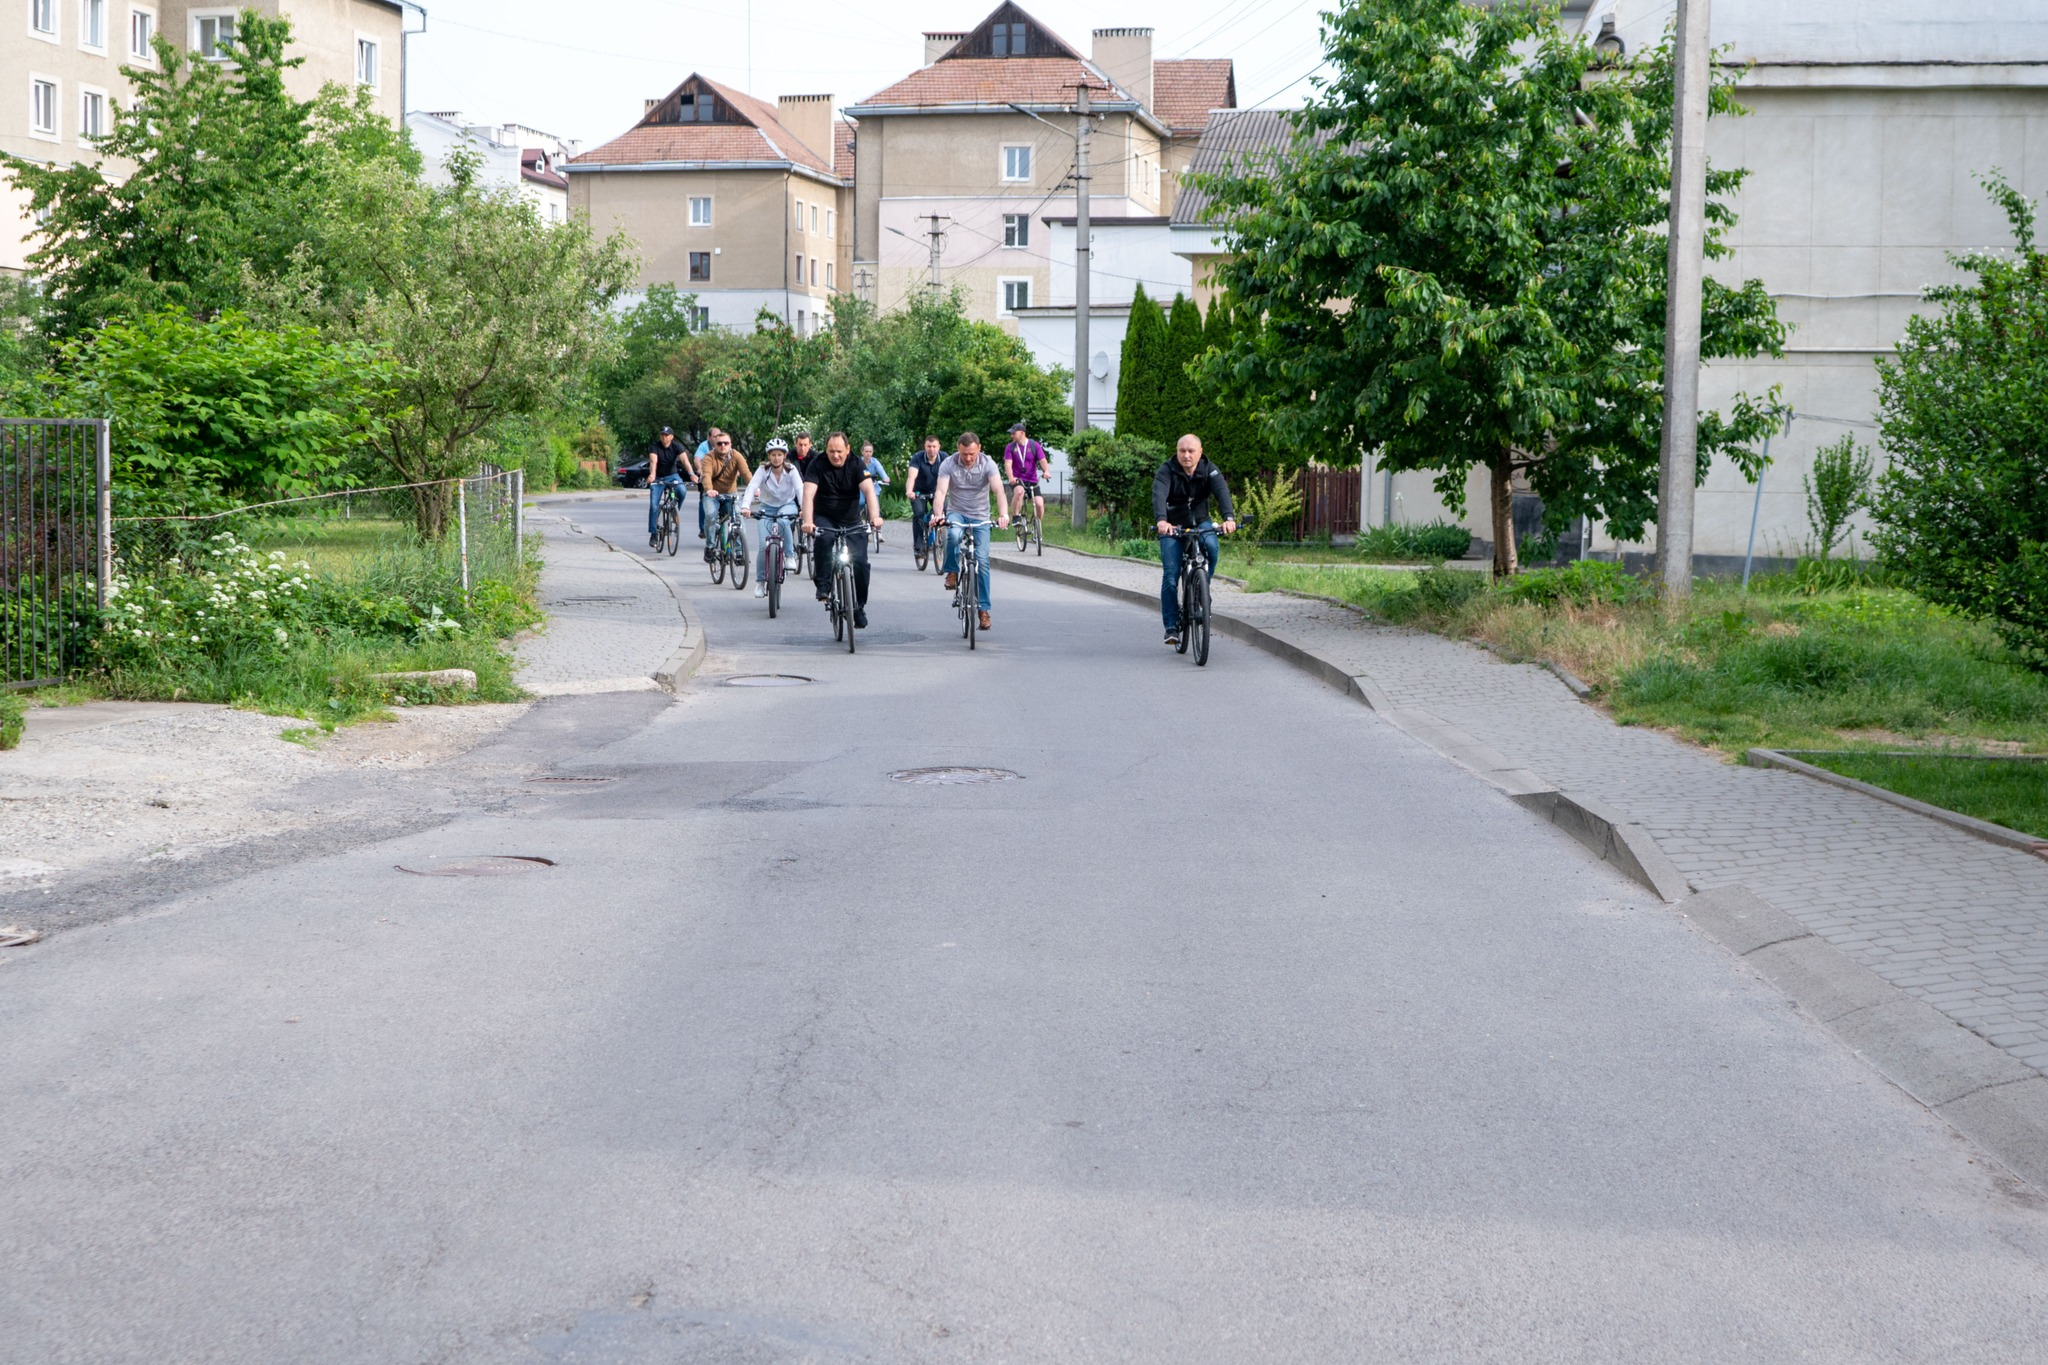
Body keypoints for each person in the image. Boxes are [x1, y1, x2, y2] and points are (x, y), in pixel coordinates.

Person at [1154, 433, 1237, 648]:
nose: (1186, 455)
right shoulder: (1167, 470)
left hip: (1201, 522)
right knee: (1171, 576)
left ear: (1200, 452)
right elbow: (1159, 494)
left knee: (1212, 548)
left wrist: (1229, 518)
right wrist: (1162, 520)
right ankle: (1171, 626)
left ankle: (1202, 589)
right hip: (1173, 525)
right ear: (1177, 452)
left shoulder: (1209, 469)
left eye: (1191, 451)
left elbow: (1222, 492)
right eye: (1182, 451)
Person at [800, 431, 883, 628]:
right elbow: (808, 494)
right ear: (826, 450)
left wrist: (874, 517)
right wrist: (808, 521)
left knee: (861, 562)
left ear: (848, 449)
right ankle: (823, 584)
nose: (835, 455)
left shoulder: (856, 464)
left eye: (839, 451)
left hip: (850, 518)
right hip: (825, 516)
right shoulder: (817, 464)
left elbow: (869, 491)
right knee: (825, 538)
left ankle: (858, 606)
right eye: (831, 451)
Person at [933, 431, 1009, 633]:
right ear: (958, 449)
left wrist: (1003, 514)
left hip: (980, 516)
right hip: (957, 513)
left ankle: (983, 610)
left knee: (982, 561)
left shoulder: (988, 464)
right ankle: (952, 572)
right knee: (953, 535)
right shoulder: (948, 464)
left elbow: (999, 490)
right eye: (964, 453)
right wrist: (938, 515)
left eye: (972, 454)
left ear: (979, 449)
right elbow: (941, 492)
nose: (968, 458)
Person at [739, 438, 804, 598]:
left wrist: (804, 509)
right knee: (763, 545)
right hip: (766, 507)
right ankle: (760, 582)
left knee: (783, 520)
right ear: (769, 456)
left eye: (779, 455)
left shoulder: (792, 470)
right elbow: (752, 487)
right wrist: (745, 506)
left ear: (784, 456)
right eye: (773, 455)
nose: (776, 458)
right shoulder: (763, 470)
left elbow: (800, 489)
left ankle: (789, 555)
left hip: (787, 505)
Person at [695, 431, 753, 563]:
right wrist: (709, 489)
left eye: (726, 443)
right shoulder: (709, 457)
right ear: (715, 445)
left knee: (738, 518)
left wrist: (754, 488)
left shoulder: (737, 456)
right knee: (710, 515)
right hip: (712, 494)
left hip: (730, 494)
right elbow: (706, 475)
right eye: (719, 443)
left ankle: (739, 553)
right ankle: (710, 546)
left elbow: (746, 473)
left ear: (730, 444)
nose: (723, 446)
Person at [646, 426, 695, 547]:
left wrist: (692, 474)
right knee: (654, 506)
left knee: (682, 490)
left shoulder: (676, 446)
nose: (664, 437)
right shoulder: (655, 446)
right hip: (658, 477)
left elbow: (685, 461)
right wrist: (652, 475)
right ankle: (653, 534)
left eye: (666, 435)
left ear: (671, 437)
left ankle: (675, 509)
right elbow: (653, 462)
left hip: (672, 476)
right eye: (662, 434)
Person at [904, 434, 945, 557]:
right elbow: (911, 476)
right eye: (929, 446)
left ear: (939, 447)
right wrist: (909, 491)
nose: (932, 449)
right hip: (918, 492)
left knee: (945, 509)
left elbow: (951, 476)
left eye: (934, 446)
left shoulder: (944, 458)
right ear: (925, 447)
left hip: (937, 491)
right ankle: (918, 547)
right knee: (919, 514)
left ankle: (940, 533)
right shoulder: (917, 457)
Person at [1003, 422, 1049, 529]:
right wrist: (1011, 477)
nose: (1011, 436)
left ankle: (1037, 526)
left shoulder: (1034, 445)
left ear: (1022, 433)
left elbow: (1042, 460)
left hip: (1032, 480)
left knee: (1039, 504)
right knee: (1019, 492)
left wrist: (1046, 471)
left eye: (1014, 433)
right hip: (1017, 480)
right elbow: (1008, 464)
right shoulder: (1010, 447)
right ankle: (1015, 517)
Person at [694, 427, 723, 538]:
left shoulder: (724, 444)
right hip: (707, 477)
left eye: (719, 436)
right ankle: (703, 528)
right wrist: (700, 470)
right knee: (703, 501)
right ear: (709, 437)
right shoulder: (704, 446)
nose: (717, 439)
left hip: (721, 478)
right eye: (715, 436)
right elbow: (697, 459)